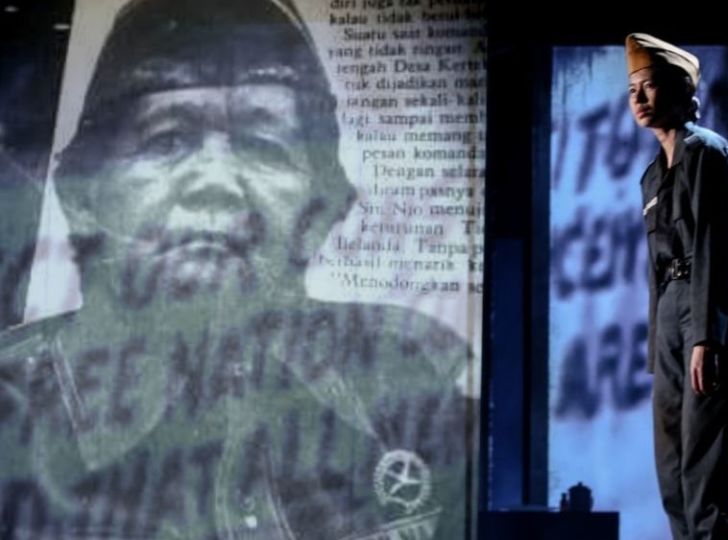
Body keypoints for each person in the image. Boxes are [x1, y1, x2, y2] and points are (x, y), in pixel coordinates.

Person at [0, 1, 473, 538]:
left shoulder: (409, 383)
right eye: (167, 139)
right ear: (84, 196)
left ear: (324, 207)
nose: (216, 178)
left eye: (261, 144)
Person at [626, 33, 728, 539]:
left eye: (650, 86)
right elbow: (655, 269)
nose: (638, 98)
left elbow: (714, 248)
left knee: (706, 468)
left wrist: (707, 335)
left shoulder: (707, 153)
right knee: (673, 468)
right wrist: (655, 351)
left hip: (711, 309)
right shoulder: (650, 178)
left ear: (681, 91)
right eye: (632, 89)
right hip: (670, 316)